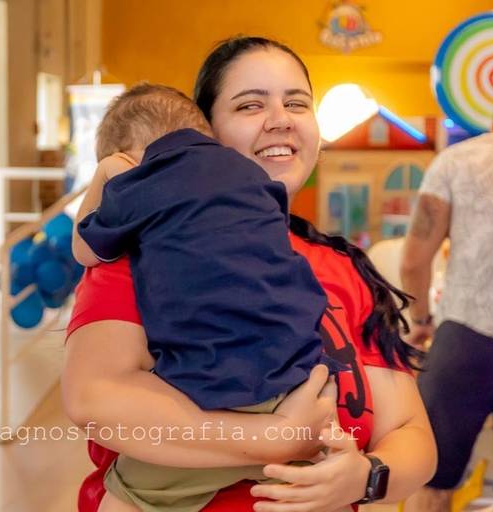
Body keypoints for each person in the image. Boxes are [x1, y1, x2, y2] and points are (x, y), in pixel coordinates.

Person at [62, 36, 436, 512]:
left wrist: (363, 477)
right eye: (250, 105)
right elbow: (96, 398)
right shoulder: (146, 252)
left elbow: (411, 435)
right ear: (204, 135)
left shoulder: (344, 268)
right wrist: (275, 437)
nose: (281, 119)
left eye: (296, 103)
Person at [73, 83, 343, 512]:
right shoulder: (251, 176)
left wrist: (107, 174)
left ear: (130, 159)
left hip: (213, 394)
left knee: (126, 492)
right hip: (299, 379)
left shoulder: (140, 183)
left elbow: (84, 251)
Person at [401, 93, 493, 512]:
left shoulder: (459, 160)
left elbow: (414, 261)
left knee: (431, 475)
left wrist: (421, 319)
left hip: (468, 335)